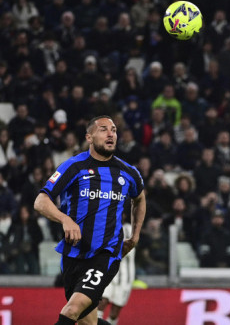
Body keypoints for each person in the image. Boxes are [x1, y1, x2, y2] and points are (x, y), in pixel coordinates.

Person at [34, 115, 146, 325]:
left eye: (113, 129)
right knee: (88, 322)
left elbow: (139, 198)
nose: (111, 133)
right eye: (103, 129)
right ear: (89, 137)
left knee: (71, 311)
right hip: (73, 255)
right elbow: (41, 201)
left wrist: (135, 236)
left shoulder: (128, 172)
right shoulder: (74, 166)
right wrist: (65, 219)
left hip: (105, 254)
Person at [97, 211, 136, 325]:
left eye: (122, 213)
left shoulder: (129, 229)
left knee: (115, 312)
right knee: (101, 303)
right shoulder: (104, 228)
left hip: (125, 277)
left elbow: (125, 249)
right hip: (107, 274)